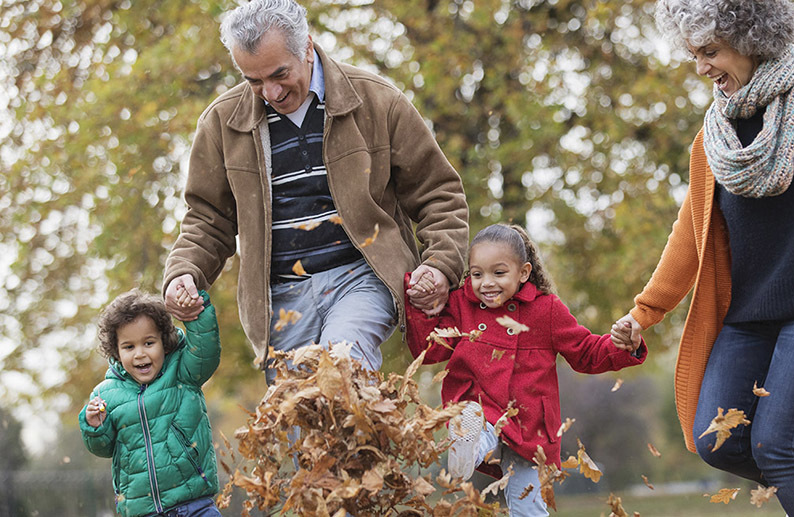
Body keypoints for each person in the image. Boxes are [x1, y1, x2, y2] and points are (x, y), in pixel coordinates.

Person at [611, 1, 794, 514]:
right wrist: (644, 312)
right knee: (713, 440)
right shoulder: (715, 139)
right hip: (747, 318)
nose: (701, 68)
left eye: (710, 51)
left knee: (774, 446)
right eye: (694, 54)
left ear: (751, 39)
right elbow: (689, 237)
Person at [163, 0, 468, 383]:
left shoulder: (376, 100)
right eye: (254, 81)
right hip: (282, 299)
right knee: (298, 425)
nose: (270, 92)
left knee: (340, 374)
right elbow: (208, 220)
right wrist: (184, 272)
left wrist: (441, 262)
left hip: (360, 277)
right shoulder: (222, 124)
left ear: (306, 47)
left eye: (279, 74)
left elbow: (437, 191)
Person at [406, 224, 646, 516]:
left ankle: (467, 446)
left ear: (523, 272)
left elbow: (585, 352)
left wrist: (622, 346)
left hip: (530, 424)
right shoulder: (461, 305)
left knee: (528, 505)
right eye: (477, 273)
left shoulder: (547, 310)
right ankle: (466, 443)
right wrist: (421, 309)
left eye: (499, 272)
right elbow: (431, 350)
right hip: (476, 404)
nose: (486, 283)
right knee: (479, 423)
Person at [79, 288, 222, 517]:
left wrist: (197, 309)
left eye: (148, 343)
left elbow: (207, 351)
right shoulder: (106, 394)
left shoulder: (182, 372)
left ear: (164, 343)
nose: (139, 354)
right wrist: (95, 427)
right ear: (116, 351)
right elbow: (104, 447)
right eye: (129, 347)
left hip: (193, 503)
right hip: (141, 510)